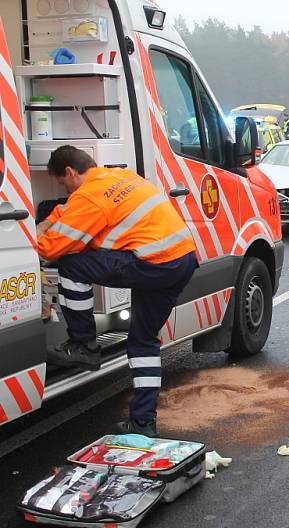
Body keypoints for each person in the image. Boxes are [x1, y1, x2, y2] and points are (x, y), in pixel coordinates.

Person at [37, 146, 198, 437]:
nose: (65, 188)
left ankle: (84, 345)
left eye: (63, 182)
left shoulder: (89, 197)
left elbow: (51, 248)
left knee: (72, 265)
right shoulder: (119, 177)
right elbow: (72, 209)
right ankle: (143, 423)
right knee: (143, 341)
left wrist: (33, 236)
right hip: (181, 260)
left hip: (152, 265)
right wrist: (51, 218)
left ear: (71, 173)